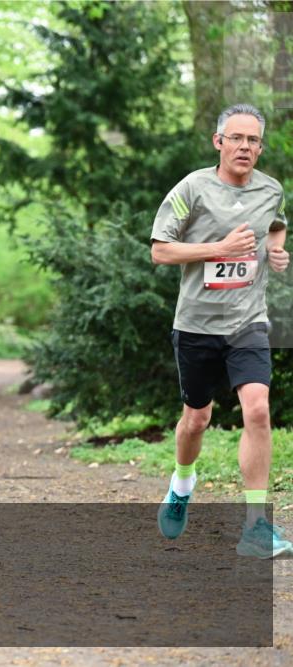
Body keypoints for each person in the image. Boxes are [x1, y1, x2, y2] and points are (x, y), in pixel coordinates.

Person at [151, 104, 290, 558]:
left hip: (247, 321)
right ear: (219, 142)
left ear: (260, 147)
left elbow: (275, 225)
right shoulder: (192, 188)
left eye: (253, 140)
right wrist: (221, 248)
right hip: (196, 325)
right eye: (236, 138)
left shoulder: (271, 189)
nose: (245, 147)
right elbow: (161, 251)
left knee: (257, 410)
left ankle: (256, 525)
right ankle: (182, 484)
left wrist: (276, 251)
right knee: (197, 418)